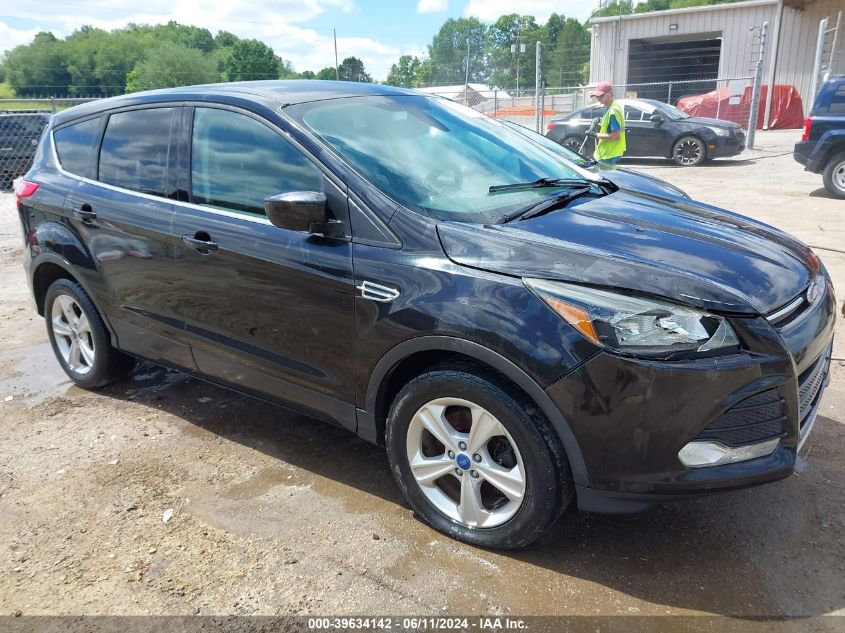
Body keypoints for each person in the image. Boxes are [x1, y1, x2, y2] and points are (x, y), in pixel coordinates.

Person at [588, 81, 626, 164]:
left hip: (608, 156)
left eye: (601, 95)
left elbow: (615, 136)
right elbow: (613, 127)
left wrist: (595, 135)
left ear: (610, 93)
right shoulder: (613, 107)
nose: (598, 98)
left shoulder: (613, 111)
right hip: (610, 153)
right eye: (597, 96)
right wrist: (600, 122)